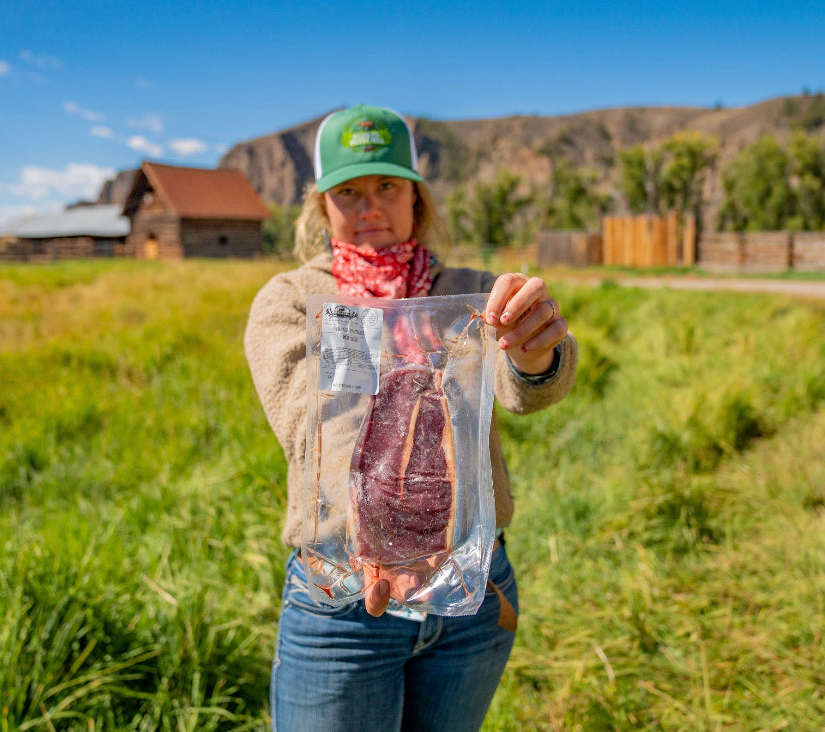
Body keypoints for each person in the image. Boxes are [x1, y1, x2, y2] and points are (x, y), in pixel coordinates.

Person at [245, 104, 577, 732]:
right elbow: (313, 428)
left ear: (416, 199)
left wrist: (537, 351)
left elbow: (523, 389)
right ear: (322, 208)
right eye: (349, 191)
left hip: (470, 599)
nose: (369, 205)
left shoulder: (472, 290)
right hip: (347, 602)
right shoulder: (290, 301)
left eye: (387, 186)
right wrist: (392, 537)